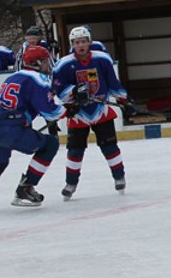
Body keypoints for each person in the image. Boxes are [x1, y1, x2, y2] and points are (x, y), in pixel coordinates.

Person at [0, 46, 69, 213]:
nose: (49, 64)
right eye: (46, 60)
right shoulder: (38, 78)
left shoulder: (13, 77)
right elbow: (50, 111)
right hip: (10, 129)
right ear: (37, 62)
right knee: (50, 144)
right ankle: (25, 188)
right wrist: (68, 110)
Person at [52, 26, 129, 199]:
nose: (81, 45)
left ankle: (119, 177)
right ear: (73, 44)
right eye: (77, 42)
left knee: (109, 146)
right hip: (79, 114)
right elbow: (57, 87)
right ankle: (70, 183)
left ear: (89, 42)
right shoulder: (64, 64)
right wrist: (73, 93)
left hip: (100, 110)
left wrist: (124, 99)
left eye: (84, 41)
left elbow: (112, 83)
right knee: (75, 151)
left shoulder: (102, 59)